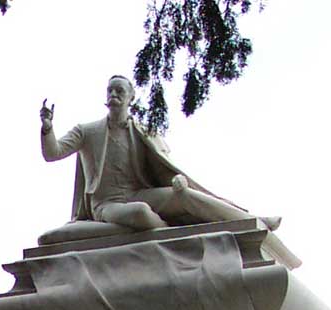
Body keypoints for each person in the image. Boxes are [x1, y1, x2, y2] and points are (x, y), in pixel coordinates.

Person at [40, 75, 280, 232]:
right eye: (110, 90)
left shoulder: (144, 131)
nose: (113, 95)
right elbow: (53, 153)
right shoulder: (87, 131)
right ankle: (176, 230)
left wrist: (176, 181)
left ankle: (252, 222)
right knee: (141, 212)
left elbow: (165, 165)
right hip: (107, 204)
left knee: (185, 195)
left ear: (131, 98)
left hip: (138, 192)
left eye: (119, 91)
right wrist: (48, 128)